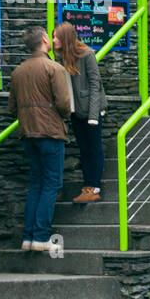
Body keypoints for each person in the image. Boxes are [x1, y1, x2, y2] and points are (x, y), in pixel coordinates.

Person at [7, 25, 71, 251]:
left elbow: (11, 107)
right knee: (51, 184)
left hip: (27, 132)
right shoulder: (54, 68)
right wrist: (63, 116)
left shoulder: (18, 72)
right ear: (45, 39)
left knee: (36, 183)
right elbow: (64, 104)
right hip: (50, 132)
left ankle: (28, 237)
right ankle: (42, 237)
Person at [53, 20, 107, 204]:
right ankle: (87, 186)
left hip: (90, 111)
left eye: (56, 37)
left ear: (65, 38)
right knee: (84, 150)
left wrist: (93, 116)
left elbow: (95, 85)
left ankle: (94, 186)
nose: (53, 40)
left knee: (94, 149)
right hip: (75, 112)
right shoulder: (60, 57)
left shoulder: (86, 54)